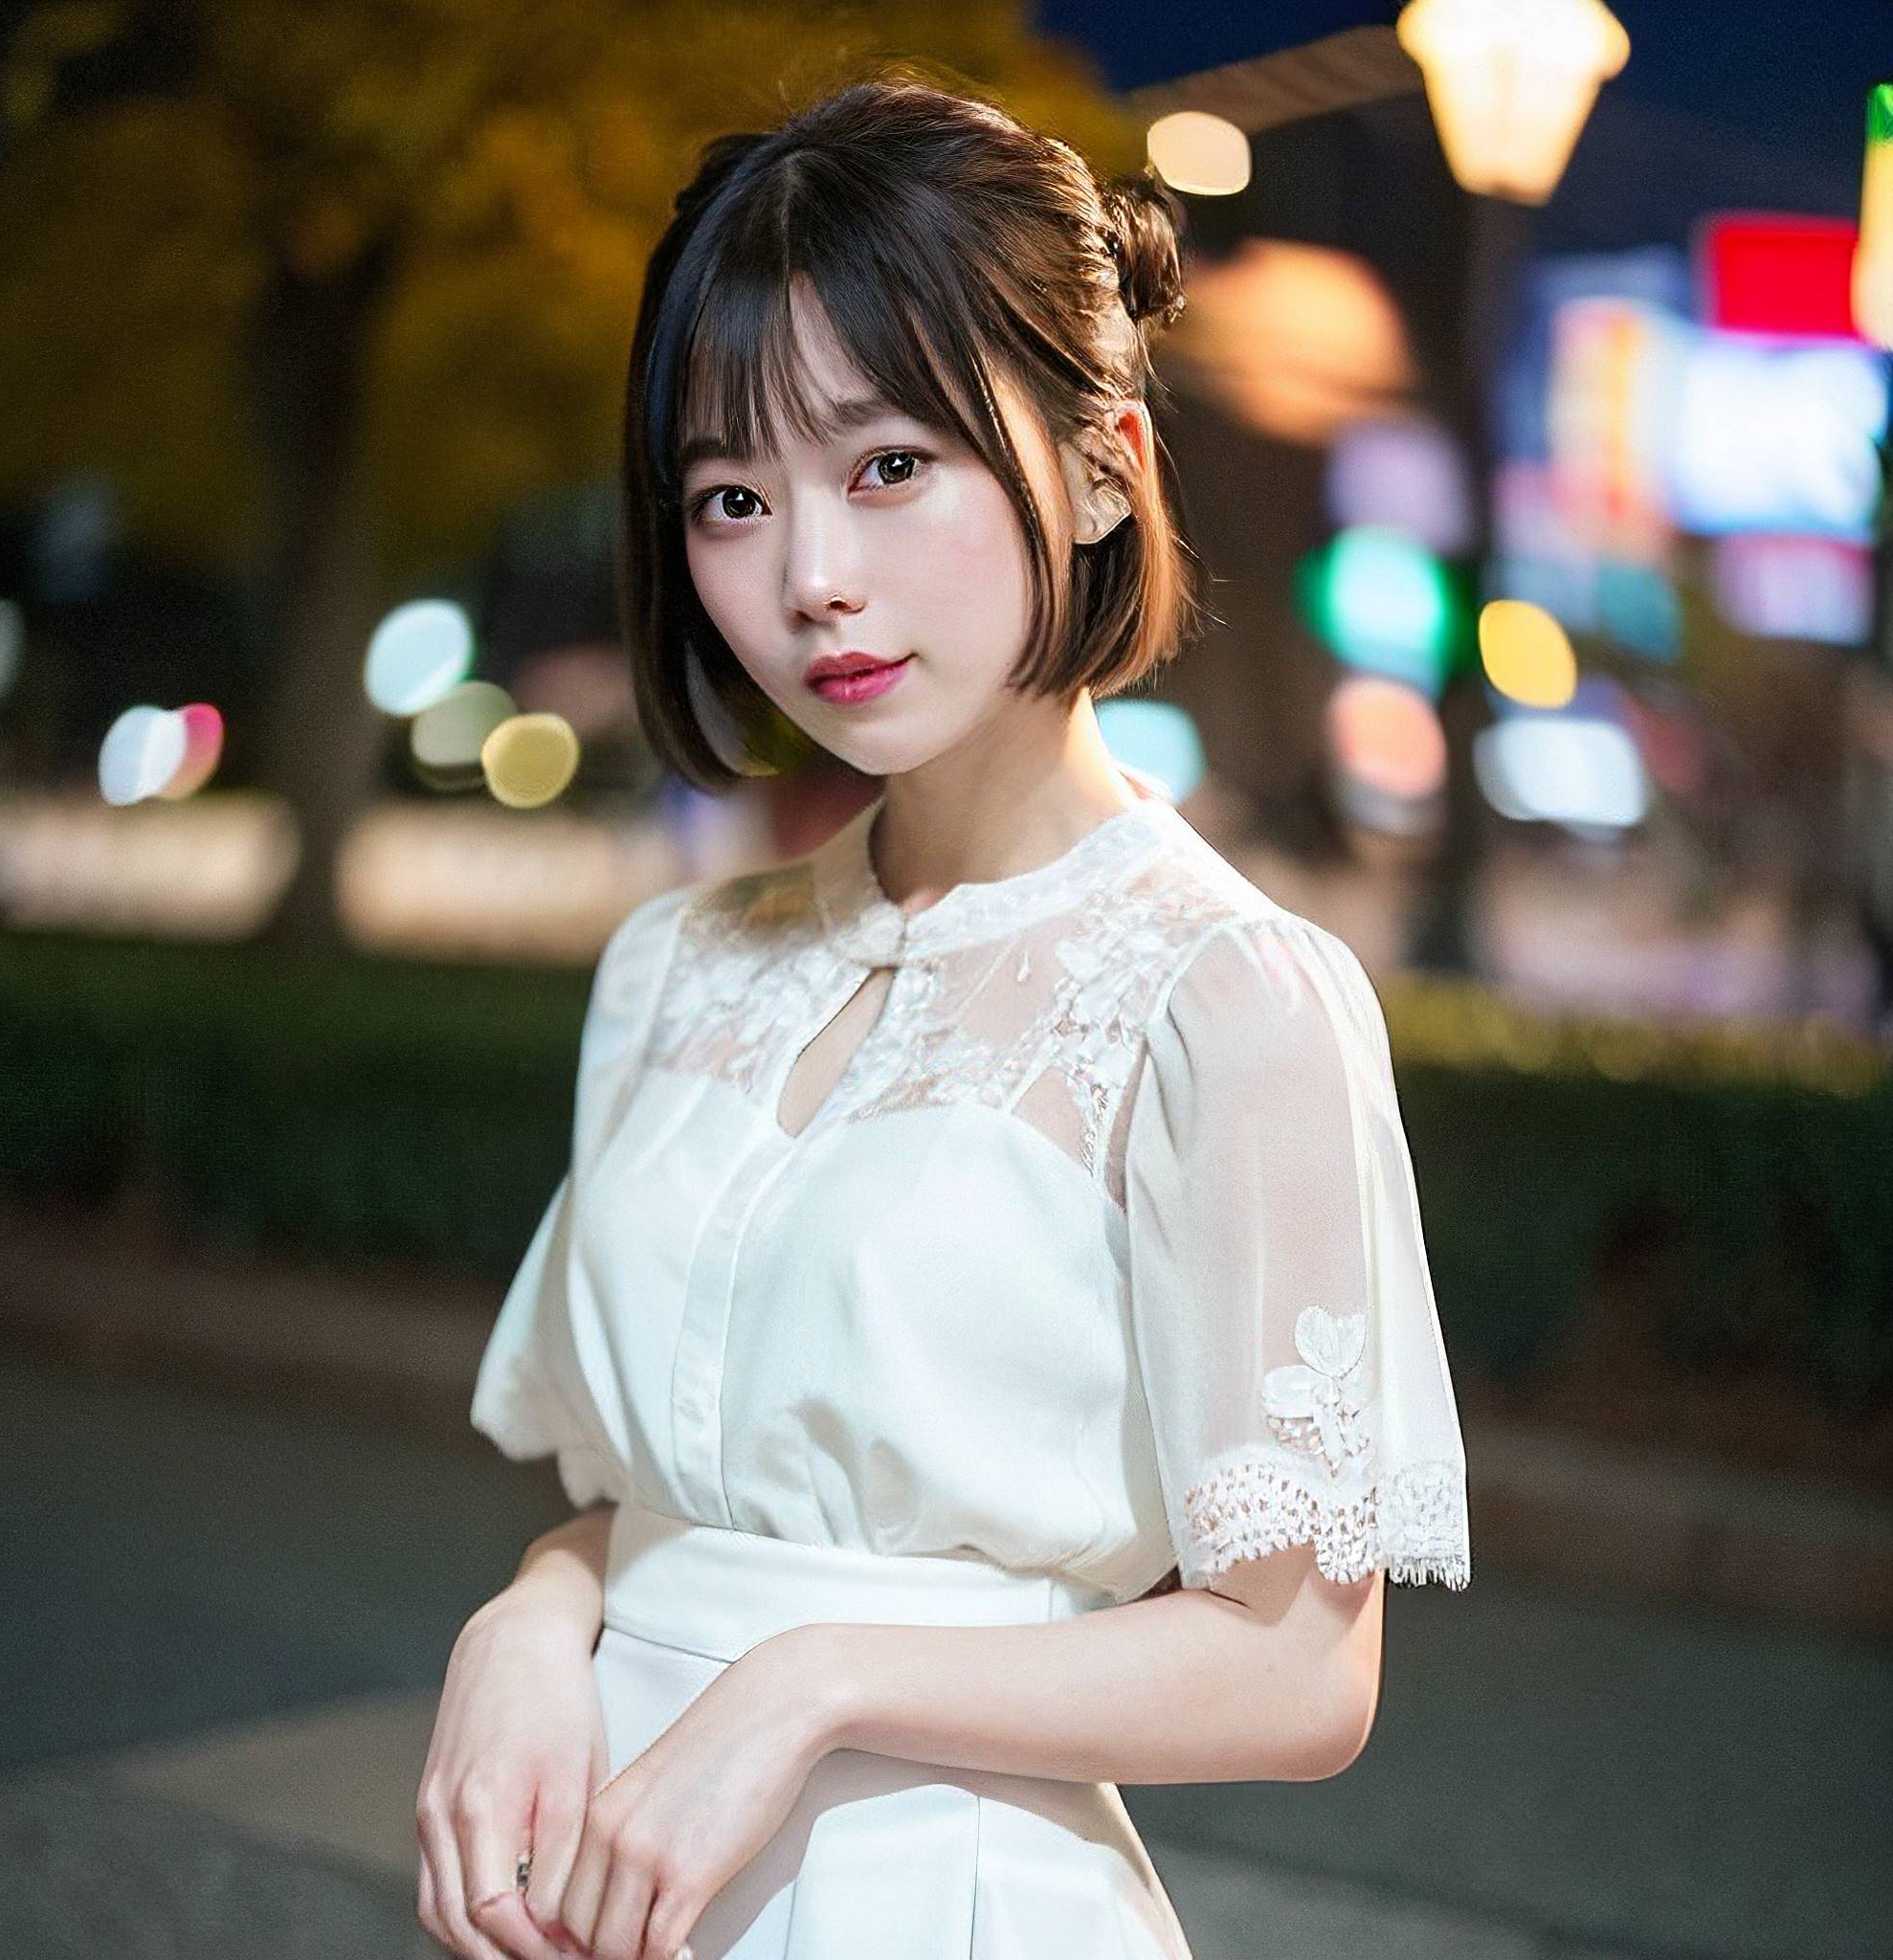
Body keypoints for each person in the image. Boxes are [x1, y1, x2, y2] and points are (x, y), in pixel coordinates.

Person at [418, 70, 1471, 1960]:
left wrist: (810, 1682)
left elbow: (1299, 1672)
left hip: (943, 1902)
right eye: (733, 495)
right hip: (606, 1889)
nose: (812, 575)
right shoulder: (673, 967)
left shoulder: (1222, 1000)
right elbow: (653, 1504)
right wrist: (528, 1611)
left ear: (1094, 464)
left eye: (889, 462)